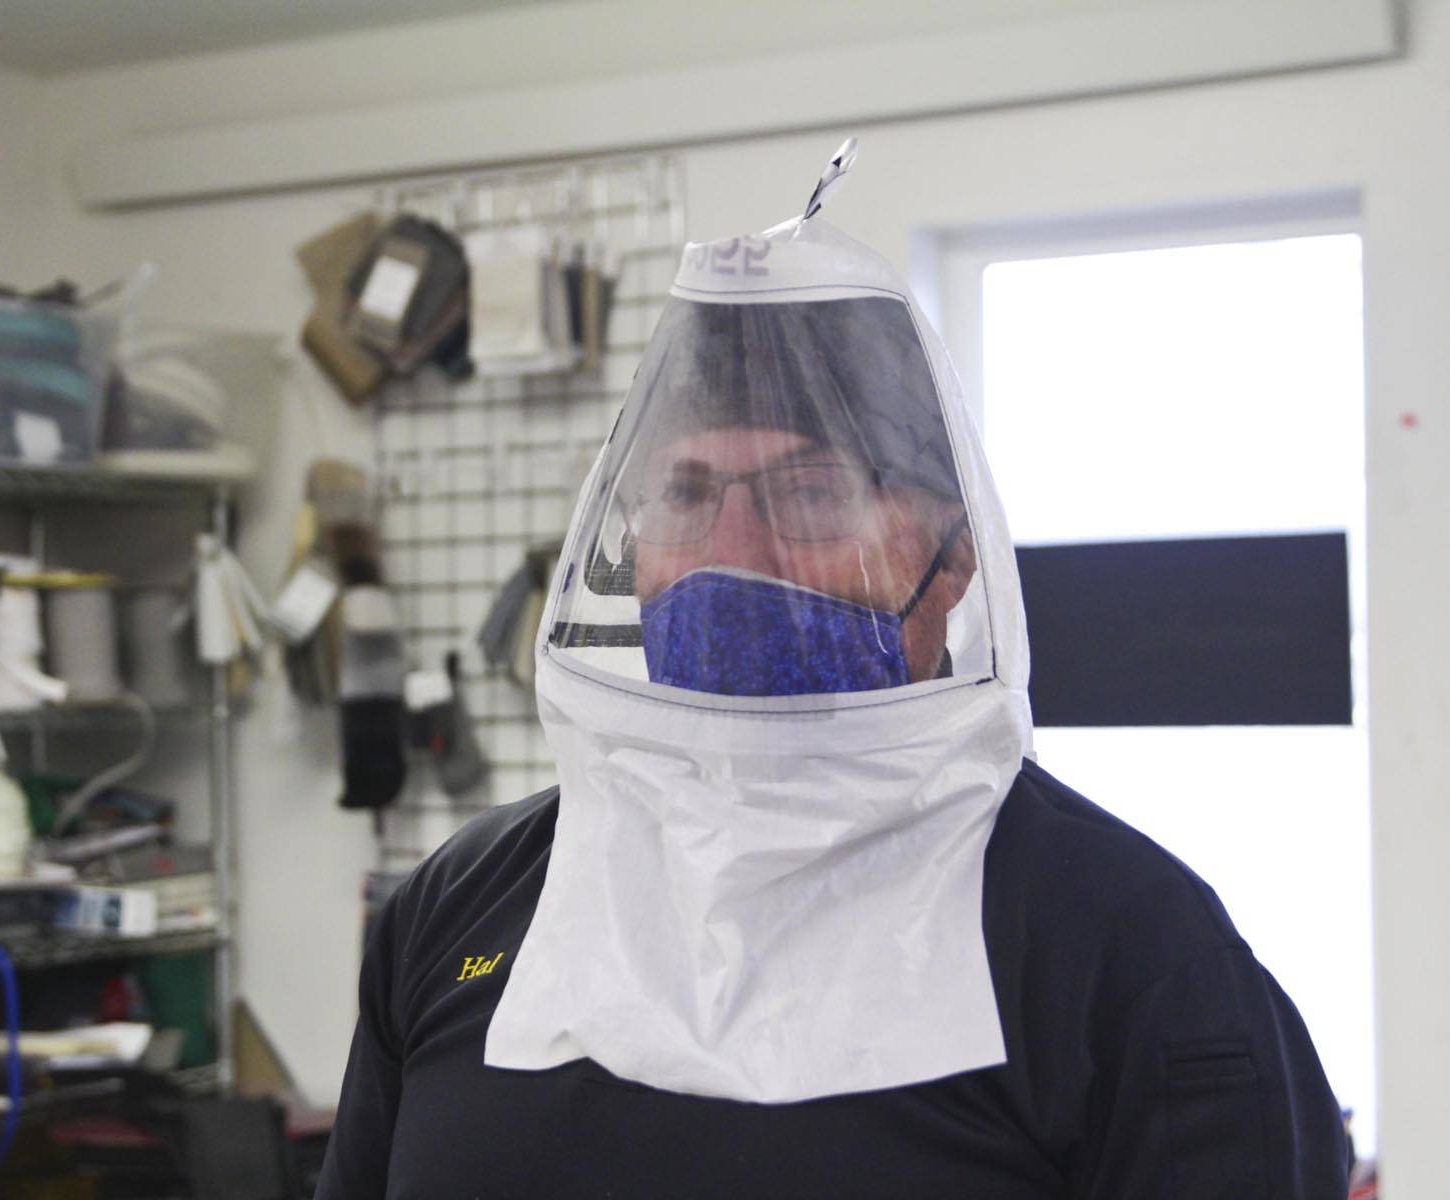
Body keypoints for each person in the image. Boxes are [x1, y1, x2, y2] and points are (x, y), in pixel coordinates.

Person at [315, 142, 1348, 1198]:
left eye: (808, 496)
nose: (731, 551)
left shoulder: (1126, 950)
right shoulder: (463, 905)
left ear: (950, 563)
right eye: (684, 496)